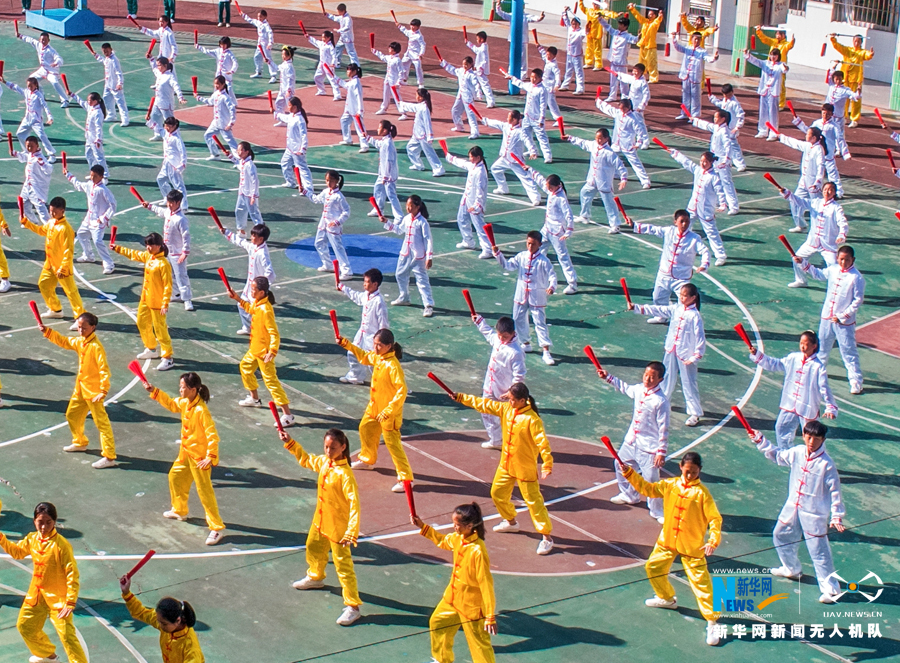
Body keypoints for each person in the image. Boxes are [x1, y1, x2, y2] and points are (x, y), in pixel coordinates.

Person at [621, 452, 724, 646]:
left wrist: (712, 540)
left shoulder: (702, 494)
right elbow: (648, 489)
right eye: (687, 471)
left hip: (692, 546)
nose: (689, 475)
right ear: (681, 468)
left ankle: (712, 622)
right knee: (653, 567)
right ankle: (666, 598)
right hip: (667, 540)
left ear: (699, 471)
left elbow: (715, 519)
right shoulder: (670, 485)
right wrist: (630, 474)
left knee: (701, 585)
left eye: (694, 472)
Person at [747, 421, 845, 603]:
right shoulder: (798, 452)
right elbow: (778, 456)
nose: (811, 442)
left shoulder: (827, 464)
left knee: (819, 552)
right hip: (793, 506)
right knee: (780, 535)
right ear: (804, 436)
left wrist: (837, 515)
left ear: (823, 440)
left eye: (816, 438)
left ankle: (831, 590)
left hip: (814, 514)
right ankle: (791, 568)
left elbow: (835, 491)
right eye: (809, 437)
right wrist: (760, 441)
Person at [453, 383, 554, 555]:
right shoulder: (506, 409)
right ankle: (511, 522)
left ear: (522, 400)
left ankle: (547, 537)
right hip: (506, 465)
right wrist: (462, 398)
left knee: (534, 503)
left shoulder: (532, 420)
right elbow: (484, 404)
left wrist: (547, 464)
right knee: (497, 494)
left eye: (513, 400)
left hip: (525, 468)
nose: (510, 402)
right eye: (510, 398)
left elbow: (542, 444)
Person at [280, 428, 362, 625]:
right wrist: (290, 442)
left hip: (338, 529)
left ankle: (353, 606)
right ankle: (315, 577)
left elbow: (354, 504)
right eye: (326, 447)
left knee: (343, 567)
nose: (328, 451)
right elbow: (307, 459)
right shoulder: (325, 462)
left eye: (332, 448)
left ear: (343, 447)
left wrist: (351, 531)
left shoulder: (345, 475)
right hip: (320, 520)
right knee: (313, 547)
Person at [0, 502, 88, 663]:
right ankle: (48, 656)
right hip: (36, 596)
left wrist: (70, 601)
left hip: (58, 599)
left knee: (67, 636)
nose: (44, 527)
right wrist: (1, 538)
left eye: (48, 522)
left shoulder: (61, 545)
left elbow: (72, 574)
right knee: (25, 626)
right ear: (34, 521)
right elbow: (17, 553)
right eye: (40, 522)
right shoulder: (32, 539)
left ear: (54, 522)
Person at [144, 372, 226, 545]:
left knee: (205, 492)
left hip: (199, 458)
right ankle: (180, 510)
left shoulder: (201, 411)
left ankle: (216, 528)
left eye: (183, 387)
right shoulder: (185, 403)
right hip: (186, 453)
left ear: (193, 389)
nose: (180, 390)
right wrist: (154, 391)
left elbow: (212, 435)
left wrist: (210, 456)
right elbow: (171, 404)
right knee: (175, 476)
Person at [412, 502, 498, 661]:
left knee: (479, 643)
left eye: (457, 524)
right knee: (438, 623)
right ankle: (442, 659)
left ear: (469, 526)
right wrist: (423, 527)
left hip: (471, 605)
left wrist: (490, 616)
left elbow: (486, 584)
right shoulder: (458, 538)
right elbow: (443, 540)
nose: (454, 527)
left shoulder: (478, 551)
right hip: (453, 597)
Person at [339, 328, 415, 492]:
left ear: (389, 346)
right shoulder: (379, 357)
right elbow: (364, 356)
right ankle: (367, 459)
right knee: (365, 428)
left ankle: (406, 479)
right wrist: (346, 344)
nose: (375, 348)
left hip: (389, 413)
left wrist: (389, 410)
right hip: (374, 407)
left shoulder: (393, 366)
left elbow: (401, 391)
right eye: (374, 344)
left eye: (379, 345)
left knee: (393, 445)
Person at [38, 311, 116, 467]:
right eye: (79, 327)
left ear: (93, 328)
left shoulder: (96, 347)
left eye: (84, 328)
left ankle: (109, 457)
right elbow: (64, 341)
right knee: (72, 415)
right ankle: (80, 442)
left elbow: (104, 370)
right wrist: (48, 332)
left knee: (102, 424)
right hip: (80, 388)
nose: (81, 330)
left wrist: (103, 390)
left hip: (93, 392)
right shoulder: (81, 341)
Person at [596, 361, 668, 522]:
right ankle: (629, 494)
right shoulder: (639, 389)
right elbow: (625, 387)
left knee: (651, 480)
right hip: (631, 441)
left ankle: (657, 511)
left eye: (652, 377)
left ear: (660, 380)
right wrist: (608, 377)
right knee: (620, 465)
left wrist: (661, 452)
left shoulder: (660, 401)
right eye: (646, 375)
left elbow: (664, 428)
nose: (647, 379)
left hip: (649, 448)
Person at [746, 330, 837, 449]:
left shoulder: (818, 367)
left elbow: (824, 388)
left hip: (807, 406)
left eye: (806, 344)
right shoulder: (793, 358)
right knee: (781, 428)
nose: (802, 347)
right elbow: (776, 364)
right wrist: (758, 355)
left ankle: (818, 458)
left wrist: (830, 407)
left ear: (814, 346)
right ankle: (786, 454)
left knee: (812, 435)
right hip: (790, 403)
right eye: (801, 343)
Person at [630, 284, 706, 426]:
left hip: (686, 355)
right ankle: (661, 403)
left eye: (685, 296)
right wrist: (638, 307)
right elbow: (660, 310)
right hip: (671, 349)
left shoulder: (695, 316)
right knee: (666, 378)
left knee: (689, 383)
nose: (681, 298)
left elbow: (700, 337)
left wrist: (695, 356)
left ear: (693, 298)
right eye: (680, 295)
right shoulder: (677, 308)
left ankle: (694, 413)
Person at [794, 246, 864, 394]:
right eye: (841, 259)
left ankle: (855, 381)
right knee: (822, 348)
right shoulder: (833, 269)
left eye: (847, 260)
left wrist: (843, 316)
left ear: (853, 260)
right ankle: (817, 372)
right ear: (837, 258)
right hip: (827, 317)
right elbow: (819, 274)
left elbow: (857, 301)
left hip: (844, 323)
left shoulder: (856, 278)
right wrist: (803, 263)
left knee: (848, 351)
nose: (843, 262)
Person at [228, 277, 294, 426]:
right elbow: (250, 309)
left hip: (264, 353)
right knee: (245, 368)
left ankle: (287, 415)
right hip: (255, 349)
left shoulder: (266, 309)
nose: (251, 292)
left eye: (253, 290)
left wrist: (272, 351)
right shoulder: (258, 304)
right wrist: (237, 298)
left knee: (271, 381)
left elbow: (274, 333)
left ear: (262, 292)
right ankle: (254, 398)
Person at [491, 230, 558, 365]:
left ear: (539, 244)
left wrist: (552, 286)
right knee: (518, 319)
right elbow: (508, 266)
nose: (530, 246)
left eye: (533, 244)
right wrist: (498, 254)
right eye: (528, 243)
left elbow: (552, 275)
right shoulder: (521, 256)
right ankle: (525, 343)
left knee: (539, 322)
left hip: (537, 296)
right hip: (521, 294)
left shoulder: (544, 261)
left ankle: (546, 351)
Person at [111, 232, 175, 371]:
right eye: (147, 245)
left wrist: (165, 303)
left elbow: (167, 285)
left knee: (160, 329)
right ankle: (151, 348)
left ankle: (168, 357)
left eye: (151, 245)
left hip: (157, 302)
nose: (148, 248)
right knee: (141, 323)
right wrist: (118, 248)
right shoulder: (149, 257)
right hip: (145, 299)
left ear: (158, 246)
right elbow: (134, 254)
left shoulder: (163, 264)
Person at [629, 210, 710, 320]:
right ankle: (661, 317)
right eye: (682, 221)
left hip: (682, 277)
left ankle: (684, 322)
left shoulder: (694, 238)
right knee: (657, 297)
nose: (684, 224)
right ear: (675, 222)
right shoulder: (669, 231)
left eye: (687, 221)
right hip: (664, 274)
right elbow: (653, 229)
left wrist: (704, 264)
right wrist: (635, 225)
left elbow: (704, 251)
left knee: (684, 302)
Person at [21, 196, 84, 327]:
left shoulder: (66, 229)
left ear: (62, 211)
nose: (52, 213)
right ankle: (55, 309)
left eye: (54, 211)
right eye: (50, 211)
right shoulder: (51, 222)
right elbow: (41, 230)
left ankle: (80, 318)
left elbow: (68, 251)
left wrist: (63, 267)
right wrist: (27, 223)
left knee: (71, 292)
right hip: (50, 264)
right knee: (43, 284)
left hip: (62, 267)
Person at [776, 181, 848, 288]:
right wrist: (785, 192)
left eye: (830, 190)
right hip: (812, 242)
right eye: (825, 189)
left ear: (834, 193)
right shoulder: (815, 202)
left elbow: (842, 222)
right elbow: (799, 201)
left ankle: (838, 286)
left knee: (835, 268)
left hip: (828, 245)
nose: (827, 192)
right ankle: (801, 280)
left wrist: (842, 234)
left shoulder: (836, 208)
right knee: (797, 258)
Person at [470, 314, 526, 449]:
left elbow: (519, 375)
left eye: (505, 336)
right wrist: (480, 321)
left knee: (508, 417)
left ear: (513, 333)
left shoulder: (516, 352)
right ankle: (496, 440)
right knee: (486, 411)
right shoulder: (497, 339)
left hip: (504, 391)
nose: (501, 338)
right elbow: (488, 333)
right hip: (490, 385)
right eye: (499, 335)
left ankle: (517, 441)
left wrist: (512, 392)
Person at [665, 149, 728, 266]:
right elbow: (687, 162)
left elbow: (720, 191)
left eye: (705, 162)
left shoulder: (714, 177)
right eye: (701, 161)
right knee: (685, 228)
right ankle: (683, 247)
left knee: (711, 232)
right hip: (693, 207)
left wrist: (722, 203)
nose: (702, 164)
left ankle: (720, 255)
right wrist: (675, 154)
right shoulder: (698, 170)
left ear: (711, 163)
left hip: (706, 210)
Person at [119, 576, 204, 659]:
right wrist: (126, 593)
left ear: (178, 620)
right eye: (158, 621)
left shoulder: (191, 648)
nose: (159, 625)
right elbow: (141, 612)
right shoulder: (164, 621)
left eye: (164, 623)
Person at [380, 194, 435, 316]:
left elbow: (428, 240)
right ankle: (404, 297)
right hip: (405, 253)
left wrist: (429, 257)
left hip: (418, 256)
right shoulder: (407, 218)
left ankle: (428, 305)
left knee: (422, 280)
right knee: (400, 274)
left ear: (417, 207)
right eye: (407, 206)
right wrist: (387, 222)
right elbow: (399, 230)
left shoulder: (423, 222)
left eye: (410, 206)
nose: (408, 208)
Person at [525, 168, 577, 294]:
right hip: (547, 227)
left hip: (557, 232)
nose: (548, 189)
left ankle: (572, 283)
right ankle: (539, 274)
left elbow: (569, 215)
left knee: (563, 256)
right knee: (539, 250)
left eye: (550, 188)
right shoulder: (551, 190)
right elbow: (541, 181)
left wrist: (568, 231)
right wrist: (530, 170)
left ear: (557, 186)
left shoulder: (561, 198)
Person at [218, 223, 275, 336]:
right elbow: (240, 241)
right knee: (241, 305)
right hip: (250, 286)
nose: (251, 237)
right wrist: (226, 232)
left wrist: (263, 287)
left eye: (254, 236)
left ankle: (263, 332)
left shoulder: (263, 254)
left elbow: (270, 273)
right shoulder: (253, 247)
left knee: (258, 312)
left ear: (261, 239)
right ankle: (247, 327)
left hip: (257, 289)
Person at [567, 127, 628, 231]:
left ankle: (615, 224)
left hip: (604, 182)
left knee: (609, 203)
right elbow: (583, 143)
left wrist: (623, 179)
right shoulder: (594, 145)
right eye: (596, 138)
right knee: (584, 193)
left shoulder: (610, 153)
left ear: (606, 138)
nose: (598, 140)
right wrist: (570, 138)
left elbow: (620, 166)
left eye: (600, 138)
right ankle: (585, 215)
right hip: (592, 180)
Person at [142, 189, 193, 311]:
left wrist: (185, 252)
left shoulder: (181, 219)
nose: (169, 205)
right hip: (167, 251)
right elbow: (159, 211)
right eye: (168, 202)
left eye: (171, 203)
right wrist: (149, 206)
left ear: (178, 203)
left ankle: (187, 299)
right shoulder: (168, 213)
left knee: (181, 276)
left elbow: (186, 236)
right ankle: (176, 294)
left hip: (177, 253)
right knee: (170, 275)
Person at [337, 268, 388, 385]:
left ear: (375, 284)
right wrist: (343, 288)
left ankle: (386, 384)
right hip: (362, 333)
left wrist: (381, 340)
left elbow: (383, 323)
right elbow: (356, 296)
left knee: (374, 363)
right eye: (364, 281)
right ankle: (355, 377)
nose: (364, 284)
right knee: (353, 353)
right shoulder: (366, 295)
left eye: (367, 282)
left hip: (373, 337)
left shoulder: (379, 302)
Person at [480, 110, 541, 205]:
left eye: (509, 117)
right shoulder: (506, 126)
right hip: (505, 158)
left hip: (515, 161)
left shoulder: (520, 132)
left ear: (515, 119)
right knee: (495, 169)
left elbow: (527, 141)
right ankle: (503, 188)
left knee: (525, 178)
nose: (507, 118)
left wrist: (532, 151)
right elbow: (497, 123)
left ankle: (535, 197)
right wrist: (486, 121)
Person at [65, 163, 116, 275]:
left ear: (101, 177)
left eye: (95, 176)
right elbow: (79, 185)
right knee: (81, 234)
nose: (92, 178)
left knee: (97, 241)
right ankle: (88, 255)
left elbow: (113, 205)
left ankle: (109, 264)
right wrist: (68, 175)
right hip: (88, 218)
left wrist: (103, 218)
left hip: (98, 221)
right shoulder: (89, 185)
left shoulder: (104, 190)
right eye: (91, 175)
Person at [301, 169, 352, 280]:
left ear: (337, 181)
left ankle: (347, 271)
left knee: (337, 248)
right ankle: (328, 264)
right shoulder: (325, 192)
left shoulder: (339, 197)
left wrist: (337, 221)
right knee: (319, 243)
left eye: (331, 181)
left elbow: (347, 211)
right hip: (324, 223)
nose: (329, 183)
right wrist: (306, 192)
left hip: (333, 226)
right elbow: (316, 199)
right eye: (327, 180)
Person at [444, 144, 490, 256]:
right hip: (467, 198)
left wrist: (477, 204)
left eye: (471, 157)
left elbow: (480, 189)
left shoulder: (481, 172)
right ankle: (468, 241)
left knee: (479, 225)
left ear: (478, 157)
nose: (470, 159)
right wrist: (451, 158)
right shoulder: (473, 165)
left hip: (475, 202)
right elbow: (463, 163)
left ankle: (488, 249)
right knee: (461, 219)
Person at [690, 110, 738, 215]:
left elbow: (728, 146)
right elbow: (707, 125)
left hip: (722, 161)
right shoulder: (717, 128)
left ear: (723, 119)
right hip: (714, 160)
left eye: (716, 117)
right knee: (715, 181)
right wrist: (696, 121)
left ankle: (733, 206)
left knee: (726, 183)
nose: (714, 119)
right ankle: (721, 203)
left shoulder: (724, 131)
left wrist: (726, 160)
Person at [779, 126, 826, 232]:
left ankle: (822, 229)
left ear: (814, 138)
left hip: (813, 184)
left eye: (808, 134)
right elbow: (795, 143)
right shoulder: (807, 145)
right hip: (803, 182)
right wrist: (781, 137)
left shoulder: (819, 149)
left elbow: (821, 166)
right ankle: (801, 225)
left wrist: (817, 182)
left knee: (818, 208)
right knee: (794, 202)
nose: (805, 135)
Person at [595, 98, 650, 189]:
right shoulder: (618, 113)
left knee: (635, 163)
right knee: (611, 158)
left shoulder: (633, 118)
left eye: (624, 109)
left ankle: (645, 181)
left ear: (628, 107)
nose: (622, 110)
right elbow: (608, 108)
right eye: (621, 108)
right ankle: (616, 173)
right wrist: (599, 102)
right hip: (616, 144)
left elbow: (640, 131)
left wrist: (638, 143)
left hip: (628, 145)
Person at [793, 104, 845, 196]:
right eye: (823, 113)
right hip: (817, 152)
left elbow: (840, 139)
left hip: (828, 153)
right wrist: (798, 122)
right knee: (815, 171)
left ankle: (838, 191)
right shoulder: (817, 123)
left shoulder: (834, 126)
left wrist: (844, 152)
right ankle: (813, 187)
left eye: (828, 114)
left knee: (833, 173)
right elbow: (809, 131)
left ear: (832, 114)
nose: (825, 115)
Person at [504, 68, 551, 163]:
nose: (533, 79)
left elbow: (543, 106)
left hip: (536, 118)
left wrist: (541, 119)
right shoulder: (529, 85)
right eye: (532, 77)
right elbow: (521, 83)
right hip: (527, 116)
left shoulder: (542, 90)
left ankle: (547, 155)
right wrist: (512, 78)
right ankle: (532, 150)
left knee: (541, 137)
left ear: (540, 78)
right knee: (525, 134)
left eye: (535, 77)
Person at [395, 87, 445, 177]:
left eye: (417, 95)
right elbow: (413, 107)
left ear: (421, 97)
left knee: (429, 152)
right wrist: (402, 104)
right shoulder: (421, 106)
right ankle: (418, 165)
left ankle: (439, 169)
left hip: (423, 134)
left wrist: (430, 135)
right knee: (410, 148)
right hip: (417, 133)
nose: (416, 97)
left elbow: (427, 122)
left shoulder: (424, 108)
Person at [743, 48, 788, 141]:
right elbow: (754, 60)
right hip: (764, 90)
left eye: (775, 55)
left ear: (778, 56)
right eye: (771, 55)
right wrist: (747, 54)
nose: (773, 57)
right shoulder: (765, 63)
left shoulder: (780, 65)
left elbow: (785, 69)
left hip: (773, 91)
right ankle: (762, 131)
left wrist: (785, 67)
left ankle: (773, 132)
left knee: (773, 112)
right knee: (763, 111)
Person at [828, 34, 872, 127]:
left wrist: (870, 54)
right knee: (843, 99)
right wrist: (833, 38)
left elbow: (867, 55)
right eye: (855, 41)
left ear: (861, 43)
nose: (856, 43)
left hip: (855, 79)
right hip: (845, 78)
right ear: (853, 41)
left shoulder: (862, 52)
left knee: (856, 100)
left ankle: (854, 119)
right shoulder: (847, 50)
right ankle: (843, 117)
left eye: (858, 41)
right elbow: (838, 46)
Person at [671, 31, 718, 119]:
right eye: (695, 39)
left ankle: (695, 115)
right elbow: (678, 47)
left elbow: (708, 58)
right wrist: (674, 38)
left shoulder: (702, 51)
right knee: (685, 95)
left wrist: (714, 58)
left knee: (695, 97)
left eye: (699, 39)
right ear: (692, 39)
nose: (697, 41)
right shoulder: (687, 49)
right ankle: (685, 113)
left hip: (695, 77)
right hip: (686, 76)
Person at [3, 76, 54, 156]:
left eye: (31, 85)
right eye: (28, 86)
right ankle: (27, 151)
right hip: (27, 119)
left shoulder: (39, 95)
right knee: (20, 134)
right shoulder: (26, 92)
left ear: (35, 85)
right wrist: (5, 82)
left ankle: (51, 154)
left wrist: (50, 117)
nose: (29, 87)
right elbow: (16, 88)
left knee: (42, 136)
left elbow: (45, 106)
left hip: (36, 120)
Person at [364, 120, 403, 221]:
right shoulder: (385, 141)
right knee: (378, 189)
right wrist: (368, 138)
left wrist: (385, 176)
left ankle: (399, 216)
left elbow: (389, 161)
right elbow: (378, 144)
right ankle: (378, 209)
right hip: (383, 173)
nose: (377, 129)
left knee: (391, 194)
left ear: (385, 130)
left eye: (379, 127)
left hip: (388, 175)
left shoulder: (388, 143)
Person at [493, 0, 544, 77]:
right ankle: (511, 72)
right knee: (512, 56)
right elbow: (501, 13)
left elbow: (535, 18)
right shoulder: (512, 15)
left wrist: (540, 17)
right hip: (513, 39)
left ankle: (523, 74)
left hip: (523, 40)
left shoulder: (526, 16)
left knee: (523, 58)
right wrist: (498, 5)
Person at [18, 31, 68, 106]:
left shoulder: (51, 50)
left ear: (48, 40)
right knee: (32, 79)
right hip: (43, 70)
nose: (43, 41)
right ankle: (41, 94)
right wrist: (20, 36)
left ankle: (65, 100)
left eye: (45, 40)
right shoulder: (38, 44)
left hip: (51, 71)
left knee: (55, 82)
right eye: (42, 39)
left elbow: (59, 58)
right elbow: (30, 40)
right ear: (39, 39)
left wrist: (56, 63)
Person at [223, 141, 264, 233]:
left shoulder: (250, 165)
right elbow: (238, 165)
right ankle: (241, 230)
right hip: (242, 192)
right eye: (237, 150)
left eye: (240, 150)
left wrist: (253, 195)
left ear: (247, 151)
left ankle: (261, 231)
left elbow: (254, 181)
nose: (238, 152)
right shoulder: (243, 162)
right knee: (239, 210)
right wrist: (230, 156)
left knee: (254, 213)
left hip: (249, 194)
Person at [13, 134, 53, 225]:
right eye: (28, 146)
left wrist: (42, 164)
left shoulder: (40, 158)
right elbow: (24, 156)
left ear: (37, 145)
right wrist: (15, 153)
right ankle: (33, 222)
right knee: (23, 204)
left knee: (40, 208)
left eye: (32, 146)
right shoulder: (30, 154)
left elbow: (49, 170)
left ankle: (50, 227)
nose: (29, 148)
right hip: (27, 185)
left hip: (36, 187)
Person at [195, 75, 237, 161]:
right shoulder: (216, 94)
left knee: (230, 142)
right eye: (215, 84)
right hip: (216, 122)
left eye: (218, 84)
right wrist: (199, 97)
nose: (216, 86)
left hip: (224, 124)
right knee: (207, 136)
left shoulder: (226, 97)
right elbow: (210, 101)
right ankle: (215, 154)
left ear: (223, 84)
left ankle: (239, 159)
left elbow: (232, 110)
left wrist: (231, 123)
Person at [275, 96, 312, 191]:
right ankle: (290, 182)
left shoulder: (300, 120)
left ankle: (308, 188)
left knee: (302, 169)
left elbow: (304, 135)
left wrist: (302, 149)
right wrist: (277, 115)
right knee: (285, 163)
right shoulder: (292, 116)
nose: (288, 107)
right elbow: (286, 118)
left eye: (289, 105)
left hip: (297, 149)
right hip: (290, 148)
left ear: (295, 107)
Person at [599, 15, 639, 101]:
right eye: (619, 24)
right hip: (613, 60)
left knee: (623, 80)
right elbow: (607, 27)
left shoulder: (627, 36)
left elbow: (635, 40)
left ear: (625, 26)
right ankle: (612, 96)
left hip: (621, 62)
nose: (619, 26)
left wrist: (640, 36)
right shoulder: (615, 32)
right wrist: (600, 19)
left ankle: (625, 96)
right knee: (613, 80)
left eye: (621, 25)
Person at [439, 55, 480, 139]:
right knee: (455, 110)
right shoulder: (461, 71)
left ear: (471, 64)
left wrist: (478, 93)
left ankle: (475, 132)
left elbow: (476, 84)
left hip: (468, 97)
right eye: (463, 64)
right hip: (460, 95)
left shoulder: (472, 75)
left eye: (466, 64)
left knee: (470, 114)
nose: (464, 66)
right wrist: (443, 62)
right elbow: (452, 70)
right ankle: (459, 126)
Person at [146, 55, 185, 142]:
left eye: (159, 65)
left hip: (166, 103)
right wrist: (151, 59)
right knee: (154, 117)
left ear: (165, 65)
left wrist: (180, 97)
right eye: (157, 65)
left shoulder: (170, 76)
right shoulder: (160, 74)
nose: (158, 67)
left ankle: (177, 137)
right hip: (157, 102)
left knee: (170, 122)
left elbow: (176, 86)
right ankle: (158, 134)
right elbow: (154, 69)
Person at [329, 63, 367, 150]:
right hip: (349, 108)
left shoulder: (356, 82)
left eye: (349, 70)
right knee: (344, 121)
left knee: (359, 127)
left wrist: (360, 110)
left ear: (354, 71)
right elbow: (345, 85)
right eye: (347, 70)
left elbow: (359, 96)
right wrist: (335, 77)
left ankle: (364, 145)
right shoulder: (352, 81)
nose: (347, 72)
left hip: (355, 109)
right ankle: (347, 139)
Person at [754, 26, 794, 109]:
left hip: (779, 68)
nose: (777, 36)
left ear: (783, 35)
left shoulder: (785, 44)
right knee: (768, 84)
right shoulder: (773, 42)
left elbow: (790, 45)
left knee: (781, 86)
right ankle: (768, 101)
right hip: (770, 67)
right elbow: (765, 39)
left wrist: (792, 41)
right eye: (777, 34)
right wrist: (759, 32)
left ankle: (781, 104)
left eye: (779, 34)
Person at [709, 83, 746, 171]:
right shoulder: (725, 100)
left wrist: (737, 127)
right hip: (724, 127)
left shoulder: (735, 103)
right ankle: (728, 160)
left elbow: (741, 115)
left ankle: (741, 164)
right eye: (725, 95)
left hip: (731, 128)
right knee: (724, 145)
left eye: (728, 95)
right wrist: (712, 99)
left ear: (732, 92)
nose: (726, 96)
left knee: (734, 146)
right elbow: (720, 104)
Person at [156, 116, 189, 210]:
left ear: (174, 126)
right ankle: (167, 198)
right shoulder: (166, 133)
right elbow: (158, 129)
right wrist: (149, 121)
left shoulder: (177, 139)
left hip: (174, 165)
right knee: (160, 179)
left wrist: (182, 165)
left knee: (178, 186)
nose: (167, 128)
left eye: (169, 127)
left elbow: (183, 152)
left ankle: (184, 205)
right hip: (166, 162)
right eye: (166, 126)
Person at [824, 69, 857, 157]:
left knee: (839, 134)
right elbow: (829, 74)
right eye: (836, 79)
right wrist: (834, 65)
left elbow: (855, 96)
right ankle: (828, 147)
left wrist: (858, 92)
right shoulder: (831, 86)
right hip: (829, 115)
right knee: (827, 131)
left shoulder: (845, 90)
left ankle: (839, 150)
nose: (838, 81)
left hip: (838, 116)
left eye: (839, 79)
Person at [196, 36, 239, 106]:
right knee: (216, 87)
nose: (222, 46)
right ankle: (212, 101)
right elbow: (208, 51)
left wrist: (232, 70)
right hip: (219, 74)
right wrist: (199, 47)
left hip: (226, 75)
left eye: (224, 44)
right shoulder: (218, 51)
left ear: (227, 44)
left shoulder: (230, 54)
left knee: (229, 89)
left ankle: (234, 103)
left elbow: (235, 63)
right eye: (221, 44)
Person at [94, 43, 128, 126]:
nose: (105, 53)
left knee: (120, 103)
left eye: (107, 51)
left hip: (115, 86)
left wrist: (120, 83)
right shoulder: (107, 58)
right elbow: (103, 61)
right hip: (108, 85)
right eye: (104, 51)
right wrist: (96, 55)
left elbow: (119, 72)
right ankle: (111, 115)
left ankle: (125, 119)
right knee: (106, 99)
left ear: (111, 49)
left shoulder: (114, 60)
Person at [630, 4, 663, 83]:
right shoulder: (645, 21)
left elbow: (659, 19)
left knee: (651, 63)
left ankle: (653, 78)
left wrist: (660, 15)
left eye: (651, 14)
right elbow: (638, 16)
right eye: (649, 14)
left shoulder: (655, 23)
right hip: (643, 45)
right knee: (641, 62)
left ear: (654, 15)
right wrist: (632, 9)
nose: (649, 15)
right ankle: (641, 75)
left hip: (650, 46)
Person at [242, 9, 278, 81]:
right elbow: (251, 20)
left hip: (265, 44)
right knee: (257, 57)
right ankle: (259, 72)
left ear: (265, 17)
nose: (259, 18)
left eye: (261, 16)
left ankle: (273, 75)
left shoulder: (266, 25)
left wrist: (270, 43)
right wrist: (243, 15)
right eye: (258, 16)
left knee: (268, 59)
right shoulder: (258, 22)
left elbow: (270, 33)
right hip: (260, 44)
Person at [372, 42, 405, 118]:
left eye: (391, 48)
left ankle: (403, 112)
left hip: (394, 80)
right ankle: (384, 108)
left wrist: (398, 82)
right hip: (388, 78)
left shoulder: (397, 60)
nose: (389, 49)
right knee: (385, 93)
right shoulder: (390, 57)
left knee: (396, 96)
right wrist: (375, 52)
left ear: (394, 51)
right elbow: (383, 57)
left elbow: (401, 72)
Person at [558, 9, 586, 96]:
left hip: (577, 55)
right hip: (569, 53)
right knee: (568, 70)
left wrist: (588, 25)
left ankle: (580, 88)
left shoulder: (580, 32)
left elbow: (586, 31)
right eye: (573, 24)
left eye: (575, 24)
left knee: (578, 72)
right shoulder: (570, 28)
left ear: (579, 24)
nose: (573, 25)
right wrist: (564, 11)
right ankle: (565, 85)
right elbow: (566, 20)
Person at [308, 30, 342, 100]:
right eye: (322, 37)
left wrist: (333, 63)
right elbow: (315, 41)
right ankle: (321, 90)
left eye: (324, 37)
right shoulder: (322, 44)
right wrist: (309, 37)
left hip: (328, 65)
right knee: (317, 77)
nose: (323, 39)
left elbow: (334, 56)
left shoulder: (331, 46)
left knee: (332, 79)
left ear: (329, 38)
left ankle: (337, 95)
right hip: (321, 64)